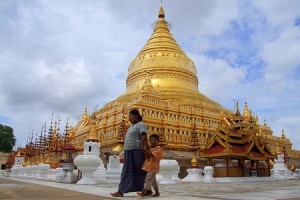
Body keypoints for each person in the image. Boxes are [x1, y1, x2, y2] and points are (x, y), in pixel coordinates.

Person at [110, 109, 149, 197]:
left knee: (140, 170)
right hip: (128, 150)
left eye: (130, 116)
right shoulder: (131, 126)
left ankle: (145, 189)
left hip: (137, 150)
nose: (129, 118)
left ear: (136, 116)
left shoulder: (141, 125)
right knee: (127, 170)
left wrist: (145, 149)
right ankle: (121, 190)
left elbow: (144, 137)